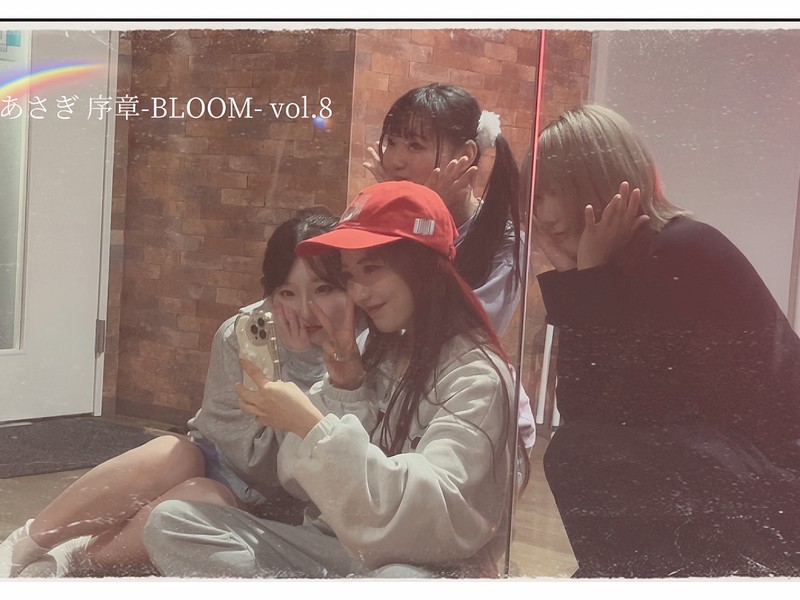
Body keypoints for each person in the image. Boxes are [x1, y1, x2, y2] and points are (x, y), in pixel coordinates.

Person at [142, 181, 522, 579]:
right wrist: (344, 388)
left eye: (371, 269)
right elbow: (295, 481)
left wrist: (312, 425)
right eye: (350, 276)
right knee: (172, 523)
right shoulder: (373, 350)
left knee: (397, 580)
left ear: (422, 265)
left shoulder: (476, 377)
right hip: (336, 550)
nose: (359, 292)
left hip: (415, 561)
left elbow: (430, 519)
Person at [0, 211, 348, 578]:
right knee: (177, 453)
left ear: (348, 284)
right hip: (223, 464)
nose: (305, 310)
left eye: (323, 289)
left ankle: (77, 558)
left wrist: (298, 368)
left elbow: (281, 474)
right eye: (287, 293)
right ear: (270, 292)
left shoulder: (364, 350)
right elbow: (239, 453)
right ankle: (27, 543)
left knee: (206, 495)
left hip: (278, 505)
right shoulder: (243, 334)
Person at [533, 104, 800, 577]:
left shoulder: (682, 250)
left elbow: (629, 413)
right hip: (746, 476)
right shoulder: (627, 262)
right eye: (537, 194)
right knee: (577, 451)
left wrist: (587, 282)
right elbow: (585, 411)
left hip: (777, 486)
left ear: (603, 181)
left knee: (578, 454)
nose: (544, 212)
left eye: (558, 189)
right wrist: (581, 277)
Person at [364, 83, 535, 450]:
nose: (396, 160)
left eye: (415, 146)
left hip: (467, 407)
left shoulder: (506, 242)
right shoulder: (381, 226)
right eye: (392, 142)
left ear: (466, 154)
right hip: (396, 404)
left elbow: (458, 328)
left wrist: (427, 220)